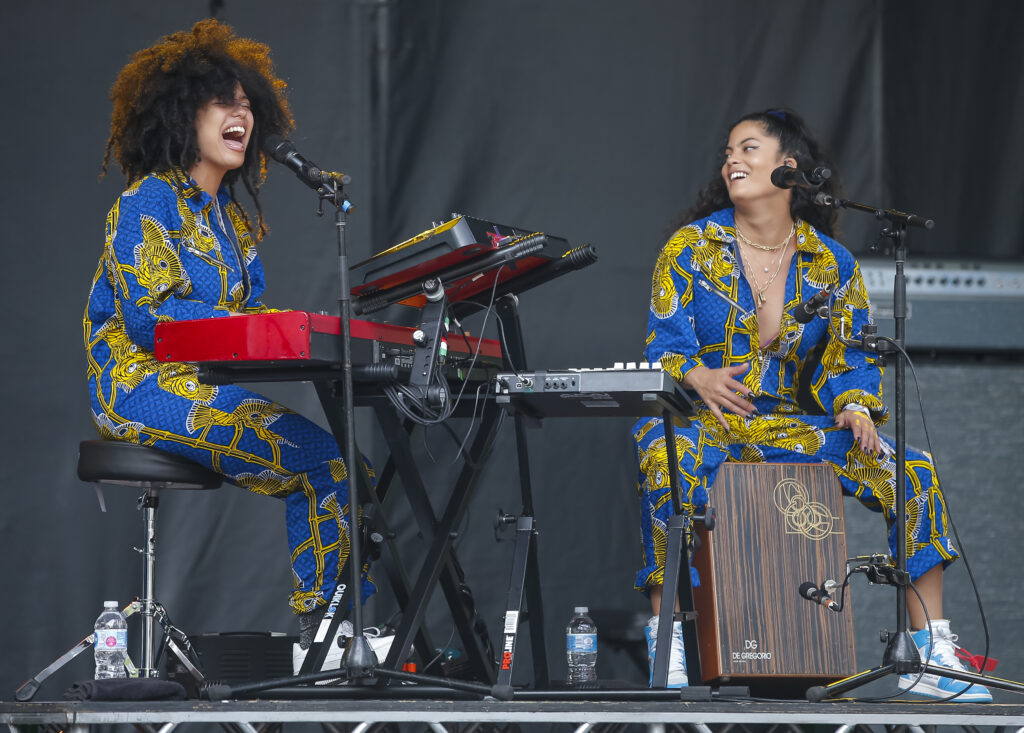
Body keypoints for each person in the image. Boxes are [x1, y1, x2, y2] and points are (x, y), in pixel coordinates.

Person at [632, 108, 990, 701]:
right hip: (704, 424)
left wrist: (854, 405)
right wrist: (696, 374)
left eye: (748, 148)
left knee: (912, 470)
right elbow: (661, 347)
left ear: (788, 168)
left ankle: (928, 653)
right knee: (663, 455)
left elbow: (849, 357)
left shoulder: (831, 263)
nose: (732, 161)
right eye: (727, 152)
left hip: (786, 429)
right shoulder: (692, 247)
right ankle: (665, 640)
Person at [83, 19, 372, 667]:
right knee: (321, 462)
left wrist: (307, 330)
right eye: (225, 102)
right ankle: (326, 644)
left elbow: (246, 313)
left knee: (351, 472)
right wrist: (263, 333)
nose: (242, 113)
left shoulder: (231, 222)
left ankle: (345, 640)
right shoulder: (144, 205)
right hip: (138, 385)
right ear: (184, 114)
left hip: (202, 381)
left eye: (248, 104)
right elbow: (154, 324)